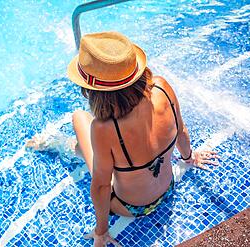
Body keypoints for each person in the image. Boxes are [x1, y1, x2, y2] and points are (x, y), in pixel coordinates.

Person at [66, 31, 219, 246]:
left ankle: (64, 146)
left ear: (93, 90)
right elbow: (181, 130)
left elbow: (100, 187)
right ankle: (81, 150)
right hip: (168, 189)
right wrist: (189, 158)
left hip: (131, 208)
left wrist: (101, 231)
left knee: (79, 117)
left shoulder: (103, 129)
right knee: (97, 151)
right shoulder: (162, 88)